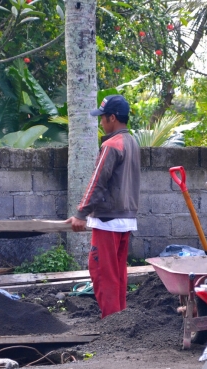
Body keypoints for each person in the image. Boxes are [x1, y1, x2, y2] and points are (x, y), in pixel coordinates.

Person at [65, 95, 141, 319]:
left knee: (102, 272)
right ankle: (119, 318)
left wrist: (81, 213)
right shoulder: (132, 143)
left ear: (113, 118)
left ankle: (110, 320)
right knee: (118, 274)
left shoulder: (111, 145)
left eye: (103, 118)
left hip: (107, 220)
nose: (101, 123)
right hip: (126, 219)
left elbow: (97, 182)